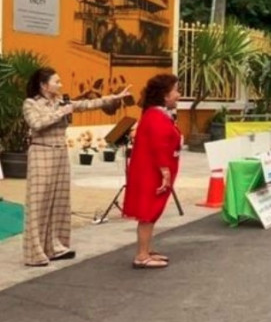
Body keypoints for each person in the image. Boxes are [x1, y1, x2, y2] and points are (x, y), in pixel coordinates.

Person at [21, 68, 130, 267]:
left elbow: (86, 104)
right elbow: (36, 124)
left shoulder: (61, 101)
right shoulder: (31, 104)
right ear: (44, 85)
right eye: (56, 81)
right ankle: (34, 253)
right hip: (41, 152)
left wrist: (113, 98)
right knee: (39, 203)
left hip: (60, 154)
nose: (60, 85)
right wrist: (62, 112)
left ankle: (55, 247)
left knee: (59, 201)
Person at [123, 74, 183, 269]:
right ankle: (142, 255)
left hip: (152, 170)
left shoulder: (156, 114)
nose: (178, 95)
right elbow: (159, 145)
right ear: (165, 95)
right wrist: (165, 172)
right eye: (175, 91)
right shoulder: (156, 116)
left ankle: (146, 250)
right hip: (151, 173)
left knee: (151, 212)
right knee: (148, 212)